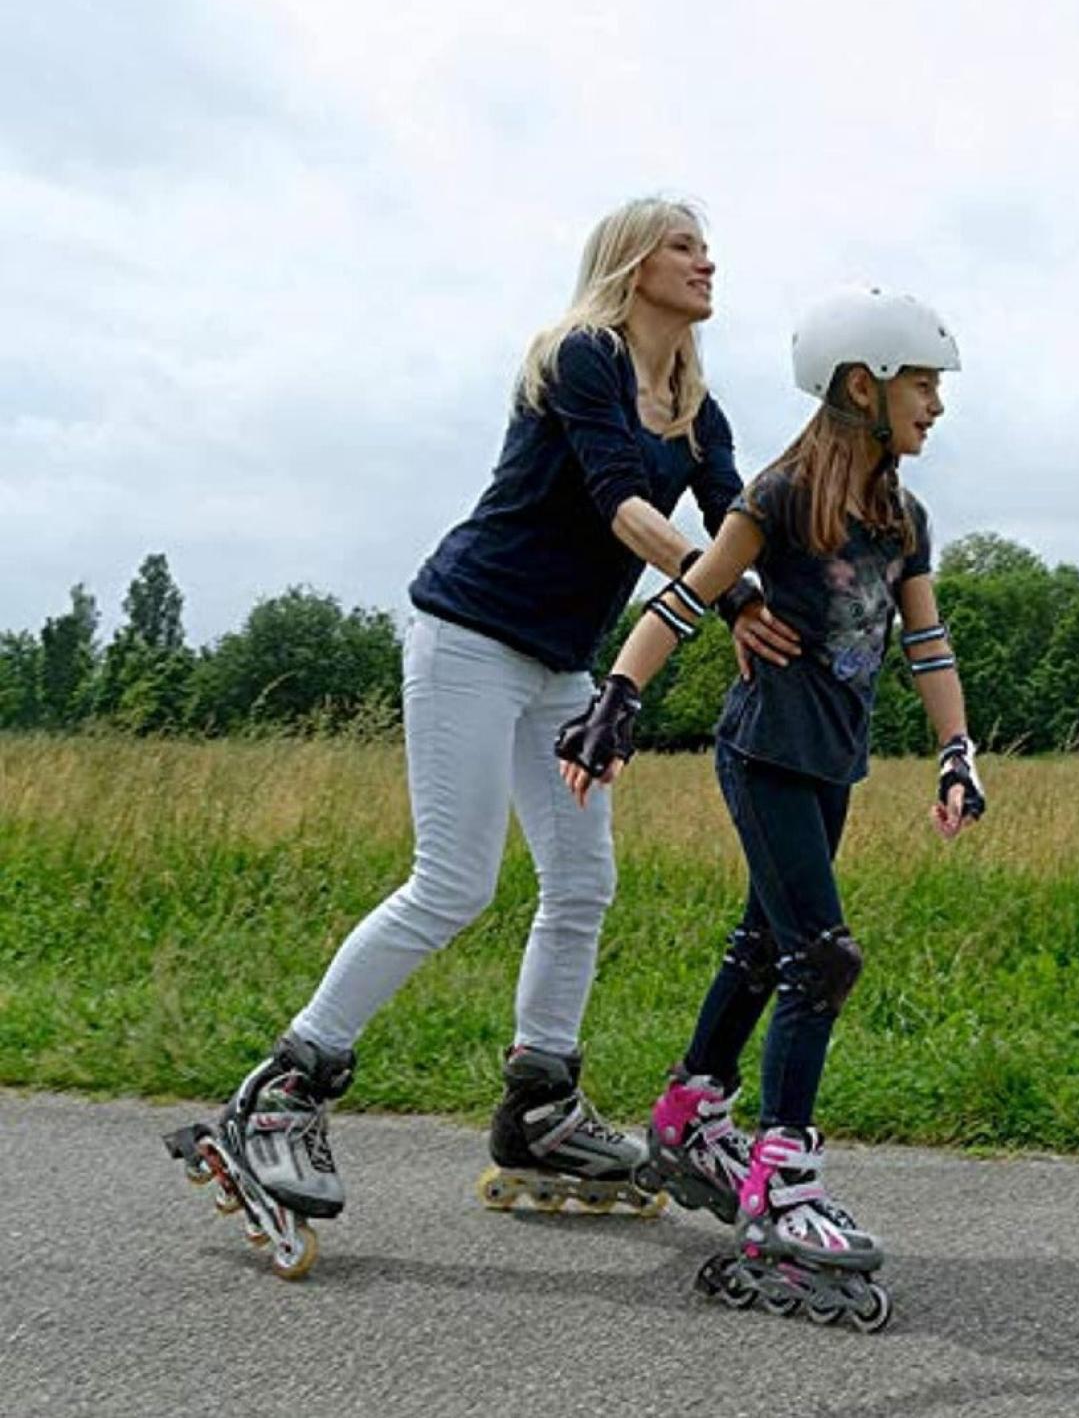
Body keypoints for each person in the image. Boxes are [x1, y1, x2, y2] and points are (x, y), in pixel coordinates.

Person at [164, 197, 801, 1276]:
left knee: (580, 881)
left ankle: (539, 1101)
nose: (707, 261)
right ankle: (282, 1090)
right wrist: (729, 602)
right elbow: (624, 511)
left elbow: (738, 519)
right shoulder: (578, 359)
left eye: (706, 246)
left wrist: (802, 594)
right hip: (467, 631)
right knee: (452, 878)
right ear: (632, 258)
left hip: (557, 663)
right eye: (685, 244)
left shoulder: (697, 410)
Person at [556, 286, 984, 1330]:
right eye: (920, 383)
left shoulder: (903, 516)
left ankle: (691, 1106)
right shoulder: (783, 491)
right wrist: (616, 700)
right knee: (820, 954)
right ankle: (781, 1176)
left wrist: (954, 751)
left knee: (765, 941)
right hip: (761, 753)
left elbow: (924, 642)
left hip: (831, 760)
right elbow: (689, 594)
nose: (936, 403)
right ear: (861, 384)